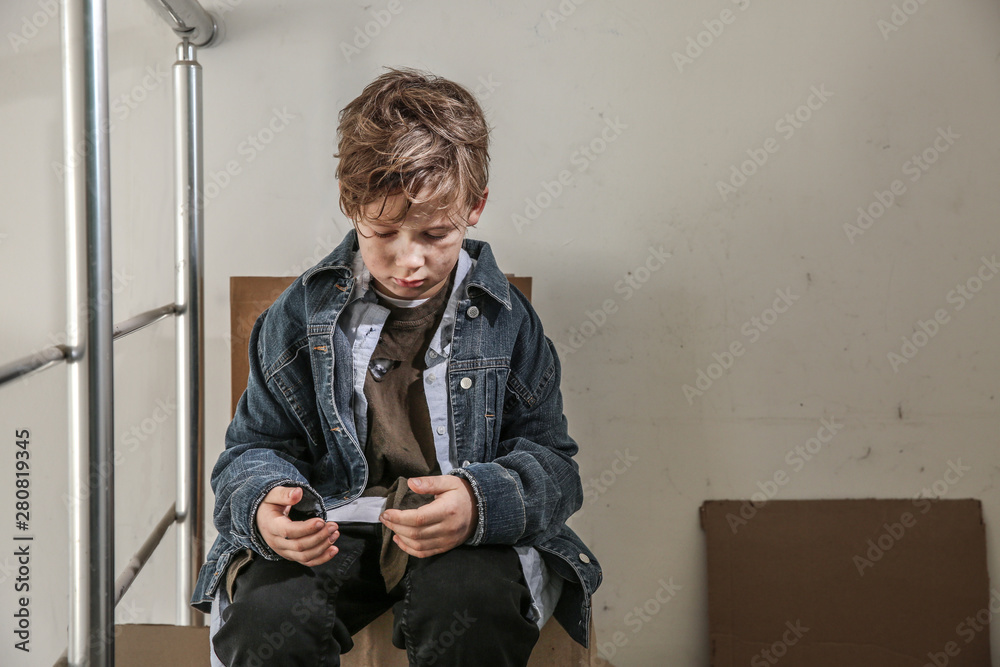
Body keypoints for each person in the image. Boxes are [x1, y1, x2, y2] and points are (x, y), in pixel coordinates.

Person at [190, 67, 601, 667]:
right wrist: (259, 507)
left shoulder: (507, 320)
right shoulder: (297, 316)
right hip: (333, 522)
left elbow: (555, 469)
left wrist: (478, 502)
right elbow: (251, 450)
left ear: (475, 208)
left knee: (474, 610)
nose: (409, 260)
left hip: (461, 538)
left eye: (436, 234)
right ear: (351, 207)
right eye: (383, 232)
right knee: (267, 618)